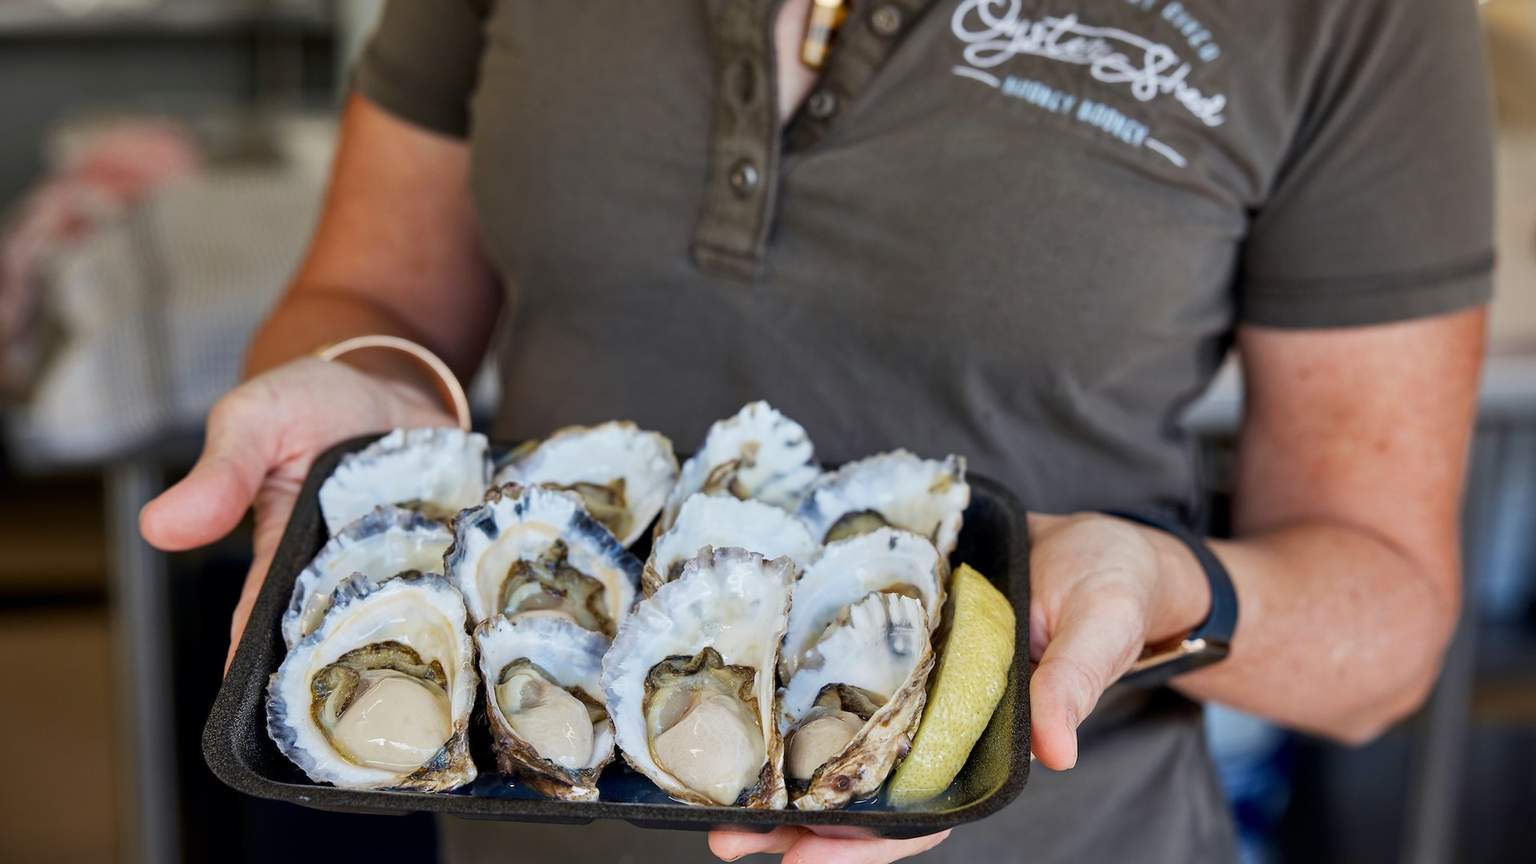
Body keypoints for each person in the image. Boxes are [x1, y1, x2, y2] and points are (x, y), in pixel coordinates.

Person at [140, 0, 1495, 861]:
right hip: (531, 821)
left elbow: (1384, 621)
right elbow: (374, 296)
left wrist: (1167, 589)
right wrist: (358, 414)